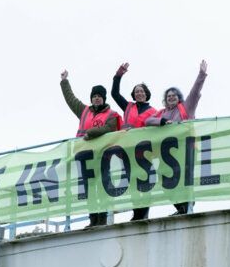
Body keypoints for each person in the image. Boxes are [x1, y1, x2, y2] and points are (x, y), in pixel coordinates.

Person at [146, 60, 208, 215]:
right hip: (166, 152)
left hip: (185, 149)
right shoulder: (161, 113)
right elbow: (147, 121)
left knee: (183, 178)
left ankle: (187, 206)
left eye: (174, 95)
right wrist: (161, 122)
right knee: (164, 180)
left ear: (178, 97)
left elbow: (195, 92)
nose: (171, 98)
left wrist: (201, 74)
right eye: (168, 96)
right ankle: (180, 207)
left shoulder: (186, 107)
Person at [60, 70, 121, 227]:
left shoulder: (111, 115)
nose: (96, 98)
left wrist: (91, 132)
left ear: (104, 98)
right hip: (85, 156)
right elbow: (70, 99)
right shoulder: (84, 111)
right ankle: (93, 219)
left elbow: (109, 128)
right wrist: (65, 82)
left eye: (99, 96)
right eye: (94, 96)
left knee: (102, 186)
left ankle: (102, 218)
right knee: (89, 188)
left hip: (102, 156)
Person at [111, 62, 157, 221]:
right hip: (128, 152)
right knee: (132, 183)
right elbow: (114, 94)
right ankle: (137, 213)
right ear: (134, 94)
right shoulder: (128, 107)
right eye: (137, 91)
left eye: (142, 91)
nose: (139, 93)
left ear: (146, 94)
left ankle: (144, 214)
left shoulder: (154, 111)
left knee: (145, 182)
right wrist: (118, 76)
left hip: (145, 153)